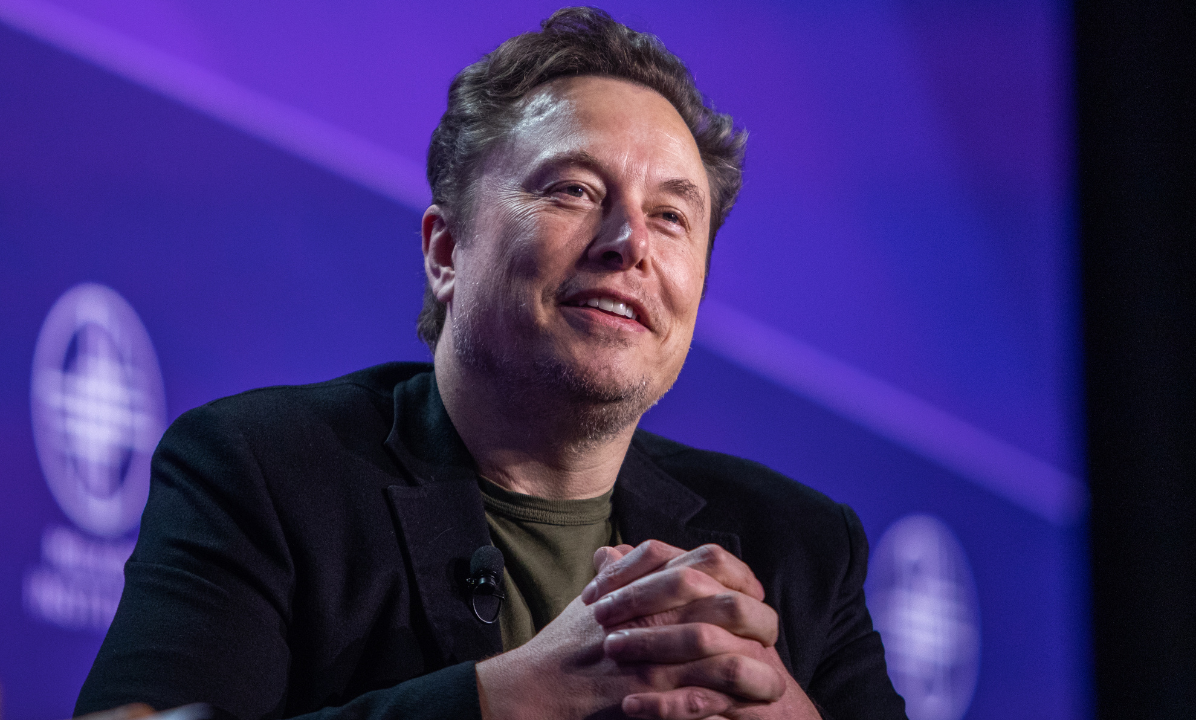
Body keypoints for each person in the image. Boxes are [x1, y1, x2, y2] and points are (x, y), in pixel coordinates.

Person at [76, 8, 906, 720]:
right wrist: (508, 698)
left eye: (671, 216)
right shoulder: (262, 470)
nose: (630, 246)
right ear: (445, 250)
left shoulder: (798, 549)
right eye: (574, 190)